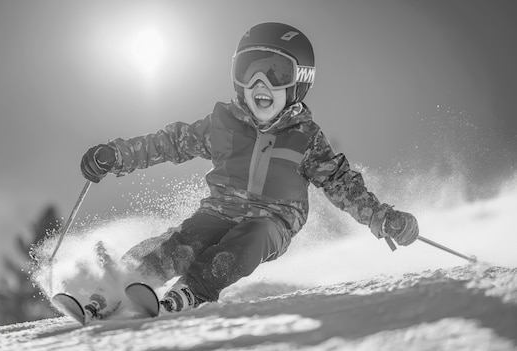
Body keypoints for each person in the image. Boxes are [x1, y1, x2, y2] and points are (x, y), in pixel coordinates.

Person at [80, 22, 419, 314]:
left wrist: (383, 217)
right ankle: (125, 283)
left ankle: (193, 289)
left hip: (274, 221)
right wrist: (117, 155)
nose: (260, 83)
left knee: (249, 240)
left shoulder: (305, 139)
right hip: (219, 210)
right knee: (185, 241)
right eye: (249, 71)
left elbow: (341, 184)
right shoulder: (222, 124)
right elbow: (168, 142)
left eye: (276, 73)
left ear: (299, 80)